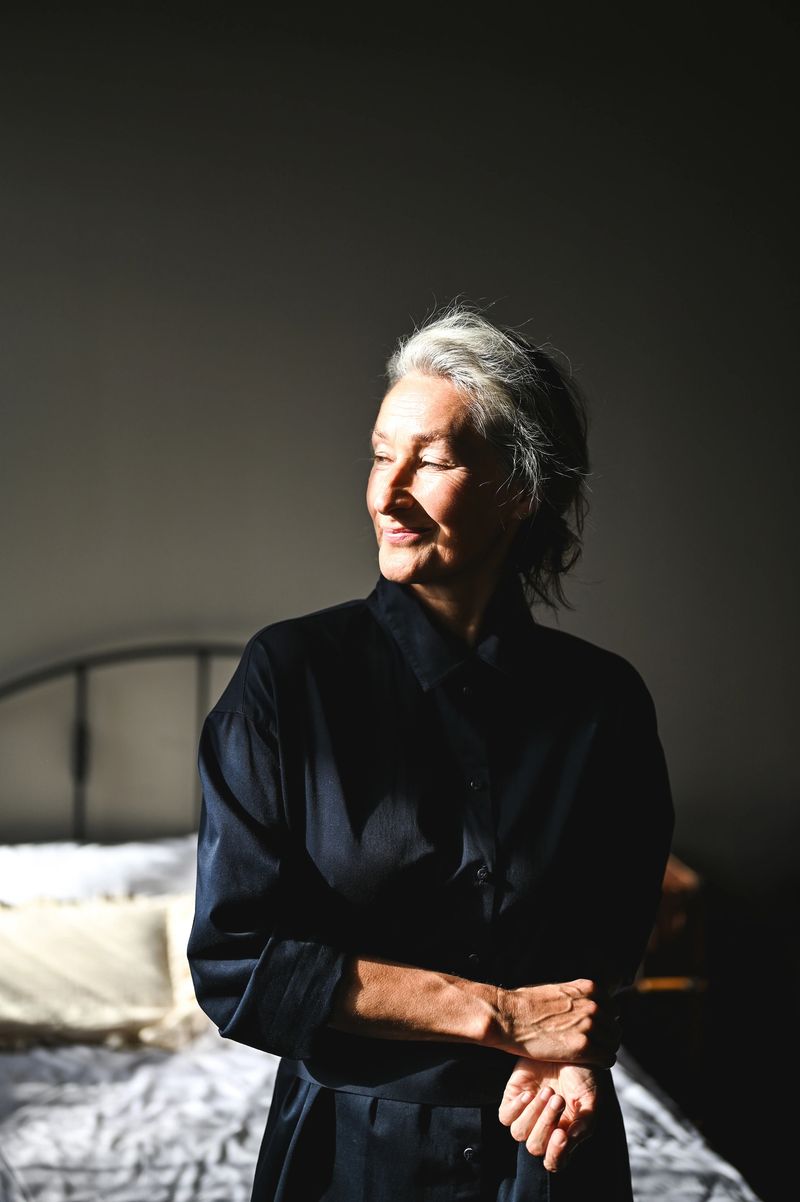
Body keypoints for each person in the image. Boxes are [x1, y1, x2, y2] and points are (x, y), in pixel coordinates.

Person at [187, 302, 675, 1201]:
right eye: (380, 454)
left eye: (434, 460)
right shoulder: (288, 680)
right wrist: (506, 1018)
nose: (388, 492)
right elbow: (238, 963)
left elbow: (608, 944)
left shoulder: (604, 705)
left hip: (550, 1147)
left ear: (519, 491)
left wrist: (579, 1050)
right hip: (349, 1155)